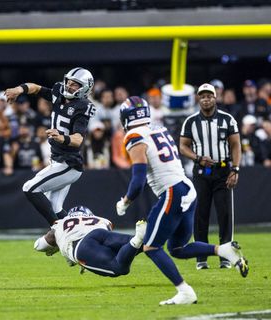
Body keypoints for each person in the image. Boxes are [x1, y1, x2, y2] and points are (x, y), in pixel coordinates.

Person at [115, 96, 248, 305]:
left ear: (125, 117)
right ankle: (223, 250)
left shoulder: (134, 135)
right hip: (186, 188)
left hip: (172, 192)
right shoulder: (158, 128)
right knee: (177, 248)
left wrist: (125, 202)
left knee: (151, 247)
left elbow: (138, 180)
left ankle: (185, 291)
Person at [5, 67, 96, 226]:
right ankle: (79, 234)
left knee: (30, 188)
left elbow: (77, 140)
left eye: (75, 84)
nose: (69, 86)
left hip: (69, 164)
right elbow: (36, 88)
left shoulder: (83, 106)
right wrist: (18, 90)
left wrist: (61, 137)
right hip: (58, 161)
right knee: (55, 207)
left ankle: (57, 231)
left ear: (85, 88)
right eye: (68, 82)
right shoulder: (58, 93)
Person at [180, 83, 242, 270]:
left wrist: (235, 169)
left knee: (224, 214)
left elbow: (236, 145)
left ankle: (226, 256)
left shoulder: (227, 119)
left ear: (216, 98)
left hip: (223, 170)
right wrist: (198, 158)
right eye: (202, 96)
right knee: (200, 215)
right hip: (201, 172)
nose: (206, 99)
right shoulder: (190, 121)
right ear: (198, 99)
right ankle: (201, 257)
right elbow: (183, 146)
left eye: (209, 96)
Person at [34, 206, 147, 277]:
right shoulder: (102, 219)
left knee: (119, 268)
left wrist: (56, 244)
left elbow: (39, 246)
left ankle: (137, 239)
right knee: (145, 245)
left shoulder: (60, 223)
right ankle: (140, 237)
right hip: (100, 233)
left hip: (81, 245)